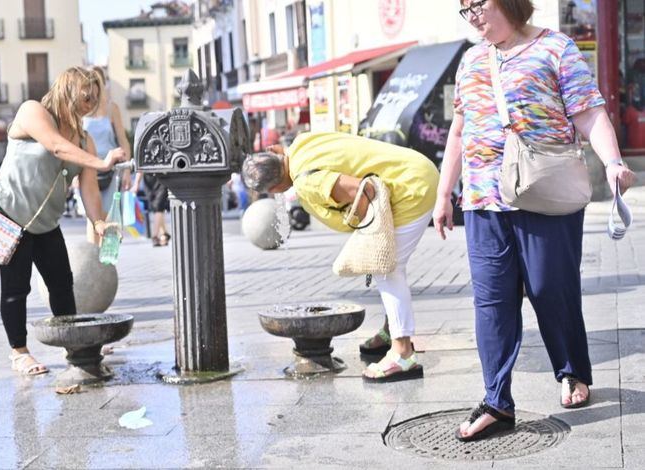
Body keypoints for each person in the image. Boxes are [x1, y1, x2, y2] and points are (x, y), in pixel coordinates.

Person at [435, 0, 638, 442]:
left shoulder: (557, 49)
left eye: (479, 5)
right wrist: (442, 194)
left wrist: (612, 162)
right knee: (491, 302)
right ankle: (496, 401)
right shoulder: (470, 60)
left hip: (544, 193)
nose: (472, 16)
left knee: (551, 289)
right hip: (483, 200)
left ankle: (572, 371)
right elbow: (459, 129)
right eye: (463, 8)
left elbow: (588, 110)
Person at [242, 132, 439, 382]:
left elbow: (362, 190)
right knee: (390, 265)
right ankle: (393, 331)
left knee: (388, 270)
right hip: (413, 169)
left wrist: (364, 231)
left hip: (411, 188)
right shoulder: (302, 142)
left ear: (274, 189)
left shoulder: (306, 183)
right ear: (274, 150)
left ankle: (403, 354)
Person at [0, 66, 125, 376]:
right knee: (15, 287)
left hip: (46, 220)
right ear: (66, 89)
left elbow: (89, 187)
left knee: (62, 285)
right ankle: (19, 352)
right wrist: (103, 161)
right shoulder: (32, 111)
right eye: (85, 95)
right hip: (10, 211)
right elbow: (55, 146)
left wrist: (99, 223)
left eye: (94, 97)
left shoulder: (83, 138)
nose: (90, 102)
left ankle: (74, 347)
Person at [82, 66, 132, 238]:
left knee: (111, 219)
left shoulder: (112, 109)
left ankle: (108, 261)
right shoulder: (82, 109)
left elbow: (123, 140)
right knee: (93, 218)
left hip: (112, 171)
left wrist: (126, 170)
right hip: (88, 169)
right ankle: (93, 262)